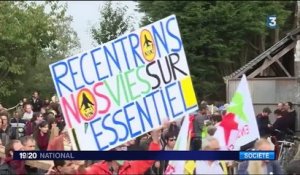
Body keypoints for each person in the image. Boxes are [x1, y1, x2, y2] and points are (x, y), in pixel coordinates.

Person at [82, 129, 161, 175]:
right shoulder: (97, 170)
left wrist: (155, 140)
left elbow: (148, 160)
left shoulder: (131, 166)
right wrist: (79, 166)